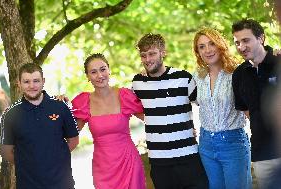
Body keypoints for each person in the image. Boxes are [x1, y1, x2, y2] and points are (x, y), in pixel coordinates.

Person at [132, 33, 208, 189]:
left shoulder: (183, 78)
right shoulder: (137, 83)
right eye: (143, 55)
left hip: (189, 157)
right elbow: (126, 106)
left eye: (152, 53)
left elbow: (207, 104)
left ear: (163, 53)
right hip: (160, 163)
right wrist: (154, 120)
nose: (147, 59)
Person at [71, 53, 146, 189]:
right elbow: (70, 134)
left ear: (109, 70)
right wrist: (56, 104)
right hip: (103, 167)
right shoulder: (84, 102)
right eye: (93, 72)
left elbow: (152, 119)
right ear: (88, 77)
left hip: (129, 162)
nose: (100, 75)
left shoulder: (124, 95)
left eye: (103, 69)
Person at [0, 63, 79, 189]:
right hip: (28, 184)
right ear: (19, 84)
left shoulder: (60, 107)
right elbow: (6, 151)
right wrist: (28, 162)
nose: (32, 86)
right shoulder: (10, 115)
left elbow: (74, 140)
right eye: (26, 82)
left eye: (36, 81)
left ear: (43, 82)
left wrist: (53, 156)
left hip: (62, 183)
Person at [193, 27, 251, 189]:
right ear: (198, 52)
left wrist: (274, 56)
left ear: (220, 45)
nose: (208, 50)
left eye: (211, 44)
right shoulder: (196, 77)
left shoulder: (238, 73)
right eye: (202, 46)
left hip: (233, 143)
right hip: (206, 144)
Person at [232, 19, 281, 189]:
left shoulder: (279, 62)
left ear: (261, 38)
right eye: (237, 42)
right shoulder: (238, 74)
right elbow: (246, 111)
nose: (241, 47)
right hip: (262, 154)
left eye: (246, 40)